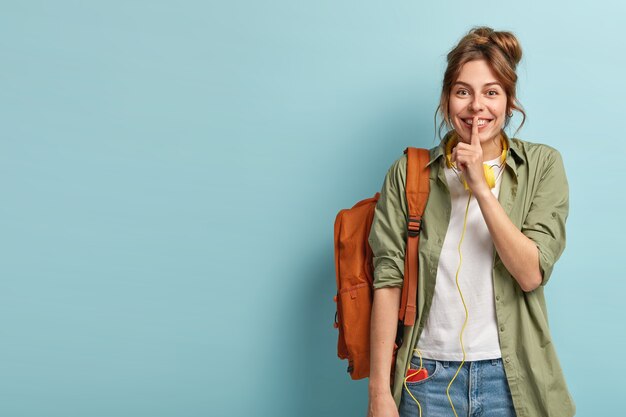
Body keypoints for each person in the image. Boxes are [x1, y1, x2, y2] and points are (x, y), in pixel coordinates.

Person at [365, 27, 576, 417]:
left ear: (510, 103)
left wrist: (480, 186)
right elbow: (387, 281)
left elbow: (530, 273)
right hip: (423, 378)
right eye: (463, 91)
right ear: (447, 101)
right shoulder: (409, 173)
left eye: (491, 92)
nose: (476, 106)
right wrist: (379, 393)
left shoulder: (543, 166)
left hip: (509, 378)